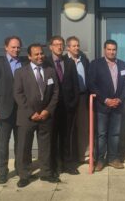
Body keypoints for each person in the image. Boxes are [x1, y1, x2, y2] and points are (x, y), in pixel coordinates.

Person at [13, 43, 60, 188]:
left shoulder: (50, 71)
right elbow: (18, 94)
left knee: (45, 146)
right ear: (29, 56)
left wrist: (48, 110)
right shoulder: (20, 72)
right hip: (27, 116)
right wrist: (31, 113)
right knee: (24, 147)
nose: (40, 56)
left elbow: (56, 93)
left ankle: (46, 173)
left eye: (41, 53)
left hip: (45, 116)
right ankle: (24, 175)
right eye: (36, 54)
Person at [88, 39, 125, 171]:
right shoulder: (96, 64)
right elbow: (91, 84)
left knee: (115, 134)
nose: (111, 52)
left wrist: (119, 99)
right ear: (104, 50)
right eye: (109, 49)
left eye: (114, 49)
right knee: (101, 134)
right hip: (102, 105)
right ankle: (100, 160)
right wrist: (105, 100)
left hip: (118, 105)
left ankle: (113, 158)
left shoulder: (122, 65)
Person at [0, 36, 23, 184]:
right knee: (3, 142)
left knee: (20, 142)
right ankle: (2, 172)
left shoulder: (24, 63)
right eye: (13, 47)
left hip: (21, 110)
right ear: (6, 47)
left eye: (18, 47)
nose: (16, 49)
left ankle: (21, 169)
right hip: (4, 110)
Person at [46, 36, 80, 175]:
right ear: (51, 47)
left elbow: (75, 86)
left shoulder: (70, 62)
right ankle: (54, 166)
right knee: (52, 138)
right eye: (56, 44)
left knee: (66, 137)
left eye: (61, 44)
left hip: (68, 108)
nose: (59, 47)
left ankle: (67, 164)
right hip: (51, 108)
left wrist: (74, 103)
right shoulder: (46, 62)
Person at [66, 36, 90, 163]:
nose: (76, 48)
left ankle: (84, 155)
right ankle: (70, 156)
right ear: (68, 47)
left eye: (78, 45)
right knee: (70, 129)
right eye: (73, 46)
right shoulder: (64, 61)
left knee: (83, 127)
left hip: (82, 97)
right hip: (68, 100)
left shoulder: (84, 60)